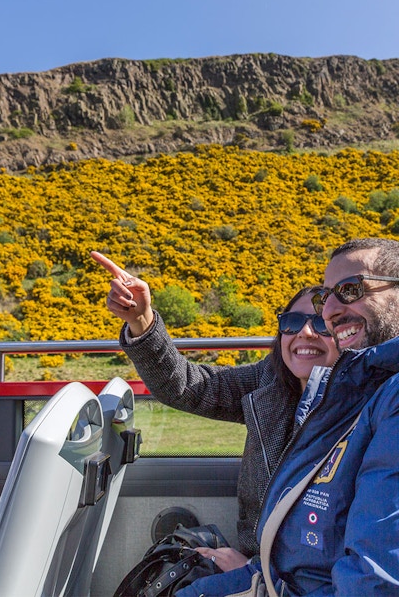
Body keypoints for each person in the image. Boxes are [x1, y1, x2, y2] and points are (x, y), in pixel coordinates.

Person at [173, 237, 399, 596]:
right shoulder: (333, 389)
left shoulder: (383, 396)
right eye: (327, 298)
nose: (328, 313)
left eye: (351, 289)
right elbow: (195, 387)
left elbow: (373, 579)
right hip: (276, 575)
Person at [90, 250, 338, 570]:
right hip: (256, 565)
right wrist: (140, 319)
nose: (304, 333)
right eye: (291, 322)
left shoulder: (365, 412)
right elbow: (187, 387)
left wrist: (253, 576)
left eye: (321, 322)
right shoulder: (268, 382)